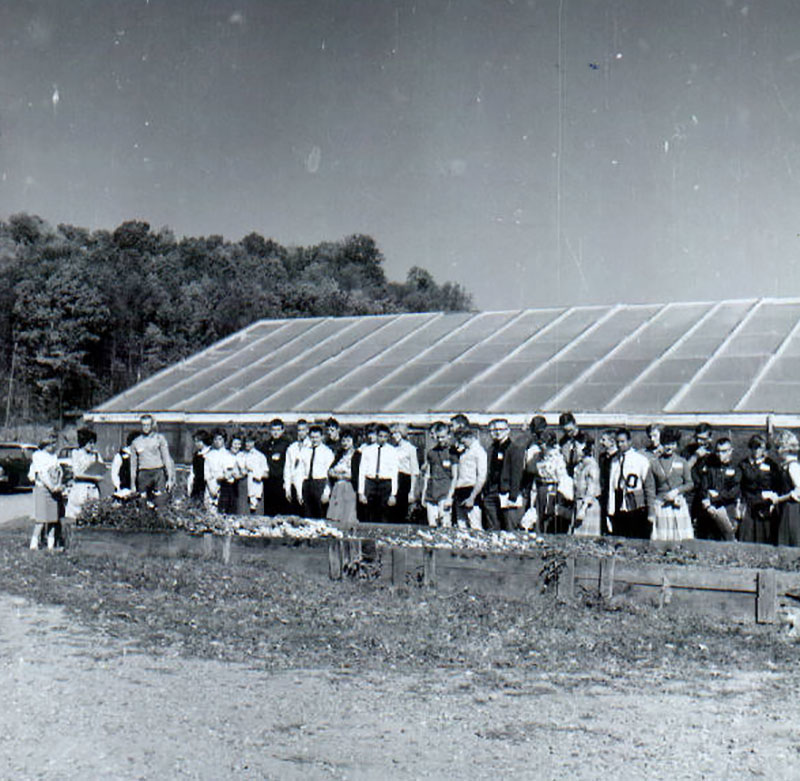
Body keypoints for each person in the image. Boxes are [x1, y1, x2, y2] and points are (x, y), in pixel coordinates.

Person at [607, 428, 655, 539]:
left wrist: (651, 512)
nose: (620, 445)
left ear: (629, 441)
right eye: (617, 442)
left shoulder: (640, 460)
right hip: (619, 506)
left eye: (623, 441)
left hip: (636, 507)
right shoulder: (614, 461)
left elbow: (649, 487)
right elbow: (611, 486)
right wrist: (610, 511)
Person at [649, 427, 694, 541]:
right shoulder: (654, 463)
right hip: (662, 505)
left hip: (678, 505)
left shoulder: (682, 462)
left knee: (681, 539)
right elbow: (650, 489)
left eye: (672, 444)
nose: (669, 447)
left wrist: (677, 491)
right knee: (663, 539)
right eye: (666, 444)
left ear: (676, 445)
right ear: (661, 444)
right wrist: (651, 511)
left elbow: (690, 484)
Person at [483, 418, 526, 531]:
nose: (498, 432)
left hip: (506, 492)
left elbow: (516, 473)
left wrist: (513, 494)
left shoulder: (514, 449)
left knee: (508, 525)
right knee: (492, 526)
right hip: (491, 490)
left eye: (501, 429)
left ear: (508, 430)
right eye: (495, 429)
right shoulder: (491, 449)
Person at [694, 437, 741, 541]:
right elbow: (704, 487)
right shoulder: (710, 468)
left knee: (728, 541)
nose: (720, 454)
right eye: (718, 451)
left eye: (724, 451)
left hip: (727, 511)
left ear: (730, 451)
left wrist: (716, 497)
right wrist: (707, 503)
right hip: (709, 510)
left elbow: (733, 492)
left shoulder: (736, 469)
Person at [738, 434, 781, 544]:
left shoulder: (771, 465)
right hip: (749, 504)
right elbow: (739, 485)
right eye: (754, 447)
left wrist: (771, 502)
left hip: (765, 504)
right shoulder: (743, 464)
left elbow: (777, 485)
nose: (756, 450)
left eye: (760, 447)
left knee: (765, 537)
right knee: (747, 536)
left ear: (764, 449)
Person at [129, 414, 175, 509]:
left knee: (160, 502)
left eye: (148, 424)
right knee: (143, 502)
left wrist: (170, 478)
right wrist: (133, 484)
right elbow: (133, 465)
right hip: (143, 474)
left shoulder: (159, 439)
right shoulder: (136, 442)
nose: (146, 427)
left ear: (152, 425)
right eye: (143, 425)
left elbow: (166, 458)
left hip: (158, 472)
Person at [532, 431, 572, 534]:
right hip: (541, 487)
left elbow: (562, 476)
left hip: (553, 487)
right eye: (539, 443)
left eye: (543, 443)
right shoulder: (539, 456)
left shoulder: (557, 457)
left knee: (550, 514)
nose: (541, 446)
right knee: (539, 515)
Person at [357, 424, 398, 523]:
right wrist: (361, 493)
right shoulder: (367, 450)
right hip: (370, 483)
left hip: (385, 484)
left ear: (388, 437)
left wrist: (393, 494)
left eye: (385, 437)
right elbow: (362, 471)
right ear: (376, 435)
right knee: (369, 514)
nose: (382, 439)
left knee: (384, 515)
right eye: (380, 436)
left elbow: (394, 473)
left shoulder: (392, 451)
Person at [28, 436, 63, 551]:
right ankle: (34, 544)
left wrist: (58, 484)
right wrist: (51, 487)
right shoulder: (37, 455)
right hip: (43, 489)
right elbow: (41, 474)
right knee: (41, 520)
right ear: (45, 444)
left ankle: (50, 545)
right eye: (51, 444)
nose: (53, 446)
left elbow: (59, 471)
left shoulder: (54, 457)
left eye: (54, 444)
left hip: (54, 490)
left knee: (52, 519)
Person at [64, 428, 104, 527]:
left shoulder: (95, 455)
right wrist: (93, 477)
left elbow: (101, 468)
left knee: (93, 514)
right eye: (90, 443)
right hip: (81, 487)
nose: (92, 445)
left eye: (93, 443)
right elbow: (77, 473)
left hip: (93, 488)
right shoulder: (76, 453)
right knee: (79, 514)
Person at [421, 422, 457, 528]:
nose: (440, 440)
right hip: (431, 493)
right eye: (438, 437)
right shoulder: (431, 452)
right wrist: (424, 493)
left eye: (443, 437)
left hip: (444, 492)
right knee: (432, 524)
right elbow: (428, 474)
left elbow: (455, 476)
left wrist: (450, 496)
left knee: (445, 523)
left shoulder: (452, 453)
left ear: (449, 436)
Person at [769, 430, 800, 547]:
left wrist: (779, 499)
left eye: (778, 447)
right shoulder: (785, 466)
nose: (776, 451)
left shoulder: (793, 467)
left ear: (785, 448)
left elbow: (799, 491)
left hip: (793, 510)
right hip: (786, 509)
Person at [453, 426, 487, 530]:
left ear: (469, 437)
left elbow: (481, 476)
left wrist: (472, 497)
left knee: (474, 524)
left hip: (471, 489)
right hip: (460, 490)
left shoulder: (479, 452)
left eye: (462, 440)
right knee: (461, 524)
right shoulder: (465, 451)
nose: (461, 443)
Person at [299, 425, 334, 519]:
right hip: (307, 484)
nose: (314, 440)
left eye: (317, 437)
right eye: (312, 437)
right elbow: (300, 471)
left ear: (322, 437)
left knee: (320, 515)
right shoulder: (305, 451)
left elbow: (329, 474)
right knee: (307, 516)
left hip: (320, 483)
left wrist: (326, 492)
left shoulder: (327, 452)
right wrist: (299, 491)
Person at [572, 432, 602, 537]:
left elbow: (591, 489)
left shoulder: (591, 465)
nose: (574, 449)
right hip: (579, 504)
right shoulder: (579, 465)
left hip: (588, 506)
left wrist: (583, 509)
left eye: (577, 446)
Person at [327, 429, 358, 525]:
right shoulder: (339, 455)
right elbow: (330, 471)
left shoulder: (357, 455)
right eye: (343, 441)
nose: (345, 443)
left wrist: (339, 475)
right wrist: (340, 475)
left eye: (348, 440)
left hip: (349, 488)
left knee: (347, 515)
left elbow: (353, 475)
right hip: (337, 488)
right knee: (335, 515)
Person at [260, 419, 290, 516]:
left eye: (278, 430)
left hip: (281, 481)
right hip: (269, 482)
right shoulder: (266, 445)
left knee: (282, 510)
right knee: (269, 511)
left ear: (282, 430)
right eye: (273, 430)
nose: (275, 432)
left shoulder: (287, 445)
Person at [390, 423, 420, 523]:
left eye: (396, 433)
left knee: (402, 510)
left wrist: (412, 491)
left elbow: (414, 471)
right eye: (393, 434)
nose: (394, 436)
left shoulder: (411, 449)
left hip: (405, 480)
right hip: (394, 479)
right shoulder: (393, 449)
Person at [204, 429, 238, 513]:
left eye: (220, 439)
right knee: (210, 512)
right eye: (215, 439)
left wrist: (223, 477)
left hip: (224, 488)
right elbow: (207, 473)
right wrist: (211, 487)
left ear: (224, 440)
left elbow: (229, 473)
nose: (217, 442)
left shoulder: (228, 454)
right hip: (211, 487)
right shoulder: (209, 455)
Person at [284, 420, 310, 514]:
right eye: (299, 430)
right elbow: (287, 469)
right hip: (294, 485)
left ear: (307, 431)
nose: (301, 432)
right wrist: (287, 488)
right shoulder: (292, 448)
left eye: (303, 430)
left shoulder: (311, 447)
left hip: (306, 485)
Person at [242, 433, 269, 514]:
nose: (247, 444)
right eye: (246, 442)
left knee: (256, 514)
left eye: (250, 442)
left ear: (254, 442)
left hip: (255, 486)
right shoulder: (241, 454)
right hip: (243, 489)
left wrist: (256, 474)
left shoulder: (260, 456)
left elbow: (266, 474)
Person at [598, 430, 618, 534]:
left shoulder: (618, 457)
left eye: (604, 440)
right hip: (604, 492)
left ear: (612, 441)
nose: (601, 442)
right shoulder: (602, 457)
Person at [186, 429, 211, 507]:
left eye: (198, 441)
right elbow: (193, 471)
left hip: (207, 484)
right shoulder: (196, 454)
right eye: (195, 441)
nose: (196, 443)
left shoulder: (210, 453)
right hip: (197, 483)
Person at [110, 431, 138, 498]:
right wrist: (118, 487)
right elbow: (114, 473)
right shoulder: (120, 455)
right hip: (124, 491)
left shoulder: (140, 456)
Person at [229, 433, 250, 515]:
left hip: (240, 485)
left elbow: (246, 470)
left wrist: (241, 474)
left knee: (239, 508)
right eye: (235, 444)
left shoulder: (243, 456)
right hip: (227, 484)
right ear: (231, 444)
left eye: (239, 444)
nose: (237, 446)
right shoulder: (226, 455)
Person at [559, 412, 582, 476]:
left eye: (570, 430)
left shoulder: (585, 438)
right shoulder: (563, 441)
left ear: (575, 424)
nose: (568, 434)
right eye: (565, 431)